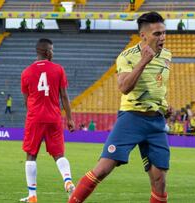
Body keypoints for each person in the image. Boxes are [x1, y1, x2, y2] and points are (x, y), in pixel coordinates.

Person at [69, 12, 171, 203]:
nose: (163, 38)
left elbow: (159, 86)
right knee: (103, 169)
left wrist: (165, 105)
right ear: (143, 36)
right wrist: (143, 61)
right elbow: (124, 88)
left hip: (156, 122)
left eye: (164, 33)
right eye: (157, 34)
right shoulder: (126, 57)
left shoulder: (167, 56)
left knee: (160, 181)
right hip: (131, 119)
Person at [20, 38, 76, 202]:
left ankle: (32, 195)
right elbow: (64, 96)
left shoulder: (26, 72)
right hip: (54, 117)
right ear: (45, 51)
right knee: (59, 154)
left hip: (35, 117)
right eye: (51, 50)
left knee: (31, 155)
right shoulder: (58, 69)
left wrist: (33, 115)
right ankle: (67, 181)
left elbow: (26, 100)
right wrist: (70, 119)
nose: (53, 52)